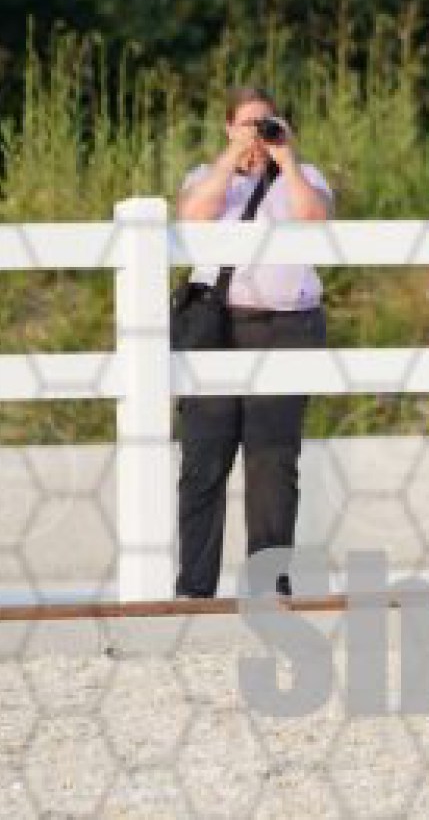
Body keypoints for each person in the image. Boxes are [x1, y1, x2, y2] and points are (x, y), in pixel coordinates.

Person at [173, 85, 334, 599]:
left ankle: (269, 586)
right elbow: (193, 217)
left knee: (273, 462)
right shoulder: (204, 177)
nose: (258, 133)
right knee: (205, 458)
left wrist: (285, 159)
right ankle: (195, 588)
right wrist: (232, 159)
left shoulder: (303, 178)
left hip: (287, 329)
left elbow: (315, 220)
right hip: (215, 327)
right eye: (248, 124)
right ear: (227, 128)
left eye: (266, 122)